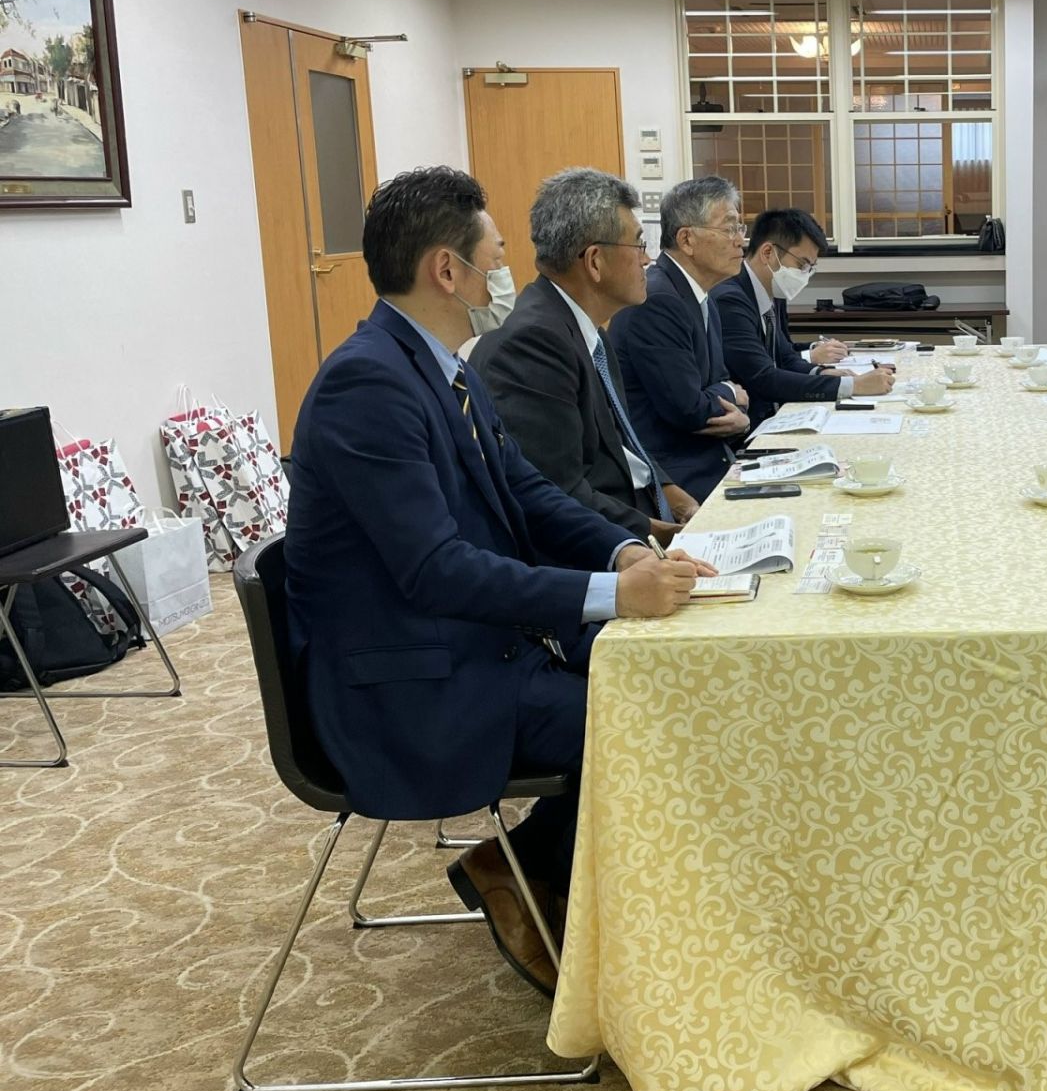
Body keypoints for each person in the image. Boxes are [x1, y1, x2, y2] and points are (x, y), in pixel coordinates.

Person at [284, 165, 715, 997]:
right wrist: (608, 595)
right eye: (496, 256)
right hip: (410, 684)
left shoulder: (445, 364)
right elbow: (434, 568)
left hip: (474, 650)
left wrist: (622, 554)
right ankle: (524, 870)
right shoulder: (367, 384)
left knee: (675, 683)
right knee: (655, 715)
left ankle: (532, 871)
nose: (507, 273)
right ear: (448, 270)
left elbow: (526, 490)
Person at [469, 167, 697, 540]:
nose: (648, 260)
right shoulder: (532, 344)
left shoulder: (587, 331)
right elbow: (557, 493)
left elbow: (622, 449)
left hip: (632, 515)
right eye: (639, 244)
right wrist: (662, 535)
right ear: (594, 261)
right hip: (592, 551)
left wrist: (679, 499)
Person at [607, 176, 754, 501]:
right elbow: (689, 409)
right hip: (675, 480)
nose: (740, 241)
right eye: (729, 228)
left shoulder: (701, 296)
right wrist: (729, 393)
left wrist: (727, 400)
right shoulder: (659, 299)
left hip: (711, 460)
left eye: (740, 229)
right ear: (687, 239)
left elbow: (713, 386)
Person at [712, 207, 894, 427]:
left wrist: (822, 372)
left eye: (810, 268)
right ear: (768, 253)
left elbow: (785, 356)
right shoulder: (730, 299)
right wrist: (853, 385)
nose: (805, 275)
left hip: (777, 410)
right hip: (748, 422)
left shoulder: (772, 289)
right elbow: (763, 378)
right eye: (802, 265)